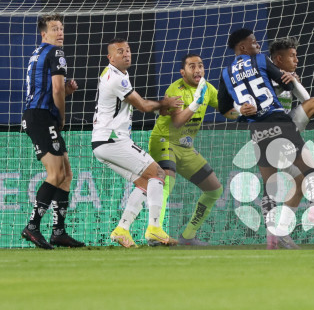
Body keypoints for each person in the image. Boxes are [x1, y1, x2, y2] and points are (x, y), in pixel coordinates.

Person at [218, 28, 314, 249]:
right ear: (243, 47)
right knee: (310, 169)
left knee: (271, 185)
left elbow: (224, 109)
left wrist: (241, 111)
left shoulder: (226, 73)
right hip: (279, 121)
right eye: (253, 42)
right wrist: (291, 81)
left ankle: (273, 235)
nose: (258, 45)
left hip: (257, 130)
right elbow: (285, 82)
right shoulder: (259, 60)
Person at [92, 38, 183, 247]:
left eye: (128, 50)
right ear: (110, 57)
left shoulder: (118, 74)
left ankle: (122, 229)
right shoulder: (116, 78)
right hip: (112, 139)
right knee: (158, 173)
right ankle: (154, 229)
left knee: (144, 182)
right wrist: (165, 103)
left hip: (102, 142)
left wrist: (160, 107)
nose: (126, 54)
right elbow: (142, 105)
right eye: (120, 51)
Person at [148, 53, 236, 245]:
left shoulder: (208, 88)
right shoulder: (176, 89)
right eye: (192, 66)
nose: (197, 70)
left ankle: (188, 235)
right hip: (165, 141)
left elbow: (227, 111)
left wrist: (242, 109)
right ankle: (155, 232)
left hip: (186, 148)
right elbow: (178, 122)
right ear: (183, 72)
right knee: (167, 181)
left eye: (201, 66)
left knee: (214, 190)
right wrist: (196, 103)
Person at [20, 14, 84, 249]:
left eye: (61, 28)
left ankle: (59, 232)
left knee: (66, 174)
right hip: (41, 117)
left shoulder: (37, 53)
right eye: (54, 28)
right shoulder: (56, 53)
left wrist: (65, 91)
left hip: (35, 114)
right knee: (56, 174)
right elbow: (56, 90)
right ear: (43, 33)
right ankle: (33, 226)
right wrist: (62, 117)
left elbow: (50, 90)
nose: (60, 32)